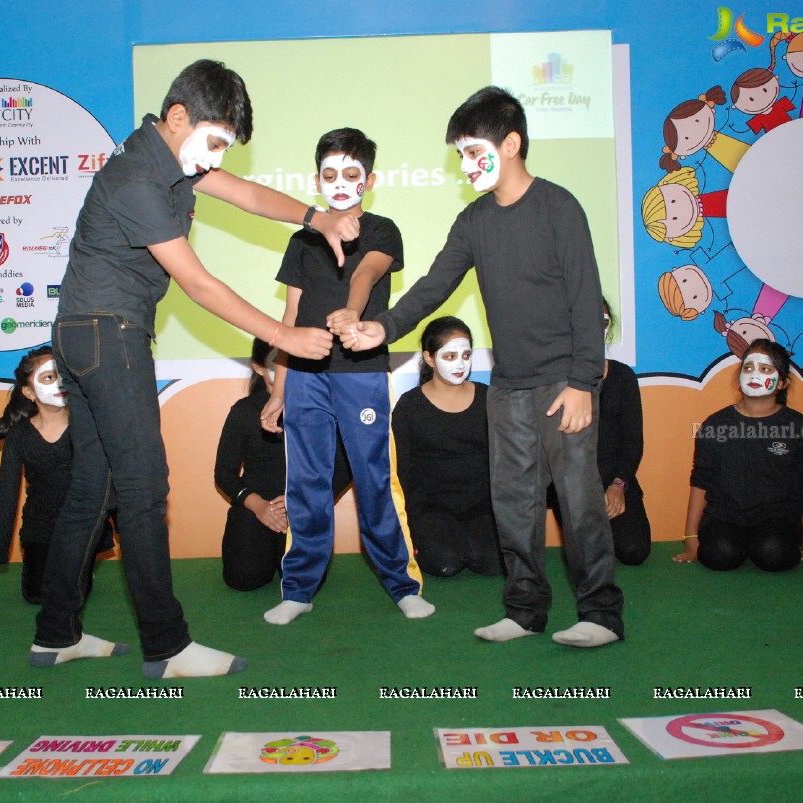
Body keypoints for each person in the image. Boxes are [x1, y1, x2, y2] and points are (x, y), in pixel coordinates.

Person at [32, 59, 359, 679]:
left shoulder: (171, 162)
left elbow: (248, 194)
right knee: (143, 490)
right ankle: (166, 646)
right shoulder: (137, 179)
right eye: (212, 142)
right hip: (109, 334)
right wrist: (284, 335)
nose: (214, 160)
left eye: (224, 148)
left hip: (82, 335)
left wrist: (315, 218)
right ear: (176, 117)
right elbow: (200, 285)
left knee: (92, 488)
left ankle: (57, 632)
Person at [335, 87, 624, 648]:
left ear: (510, 144)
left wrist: (584, 382)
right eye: (460, 155)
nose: (465, 166)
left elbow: (587, 299)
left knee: (579, 502)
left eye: (473, 153)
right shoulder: (473, 221)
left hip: (565, 382)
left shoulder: (558, 206)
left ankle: (601, 615)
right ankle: (524, 611)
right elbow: (435, 284)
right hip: (509, 388)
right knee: (513, 504)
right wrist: (384, 327)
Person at [260, 127, 432, 625]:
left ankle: (403, 584)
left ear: (369, 180)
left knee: (374, 477)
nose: (340, 183)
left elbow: (366, 274)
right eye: (330, 174)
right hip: (306, 375)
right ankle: (298, 589)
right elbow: (290, 319)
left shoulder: (382, 230)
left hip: (361, 373)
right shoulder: (301, 240)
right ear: (317, 181)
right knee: (307, 481)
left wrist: (350, 314)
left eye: (351, 174)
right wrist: (278, 389)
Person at [0, 347, 112, 604]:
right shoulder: (19, 436)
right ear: (28, 392)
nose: (58, 382)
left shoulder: (89, 426)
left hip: (82, 526)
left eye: (62, 375)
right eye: (48, 377)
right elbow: (5, 496)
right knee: (36, 596)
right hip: (40, 528)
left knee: (72, 596)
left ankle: (85, 568)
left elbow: (110, 481)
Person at [673, 339, 803, 571]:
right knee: (719, 555)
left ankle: (759, 545)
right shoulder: (715, 424)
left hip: (778, 516)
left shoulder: (801, 427)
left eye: (765, 369)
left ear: (782, 382)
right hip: (724, 515)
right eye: (748, 367)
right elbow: (701, 480)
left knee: (774, 553)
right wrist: (691, 538)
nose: (754, 375)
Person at [215, 338, 351, 591]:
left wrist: (306, 501)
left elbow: (343, 469)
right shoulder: (244, 411)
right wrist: (258, 506)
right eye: (278, 363)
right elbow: (224, 473)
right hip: (255, 504)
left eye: (296, 363)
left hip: (307, 506)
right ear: (258, 367)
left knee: (306, 581)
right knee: (244, 579)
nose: (287, 372)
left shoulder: (323, 409)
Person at [392, 316, 501, 577]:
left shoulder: (489, 398)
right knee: (446, 563)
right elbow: (401, 470)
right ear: (429, 358)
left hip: (482, 504)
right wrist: (407, 518)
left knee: (493, 564)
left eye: (466, 355)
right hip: (430, 507)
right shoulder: (409, 406)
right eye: (450, 356)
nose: (460, 364)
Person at [549, 299, 650, 566]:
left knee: (633, 551)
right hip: (570, 479)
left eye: (602, 323)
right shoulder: (553, 378)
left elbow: (633, 441)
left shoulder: (623, 376)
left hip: (613, 477)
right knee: (587, 556)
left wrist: (619, 486)